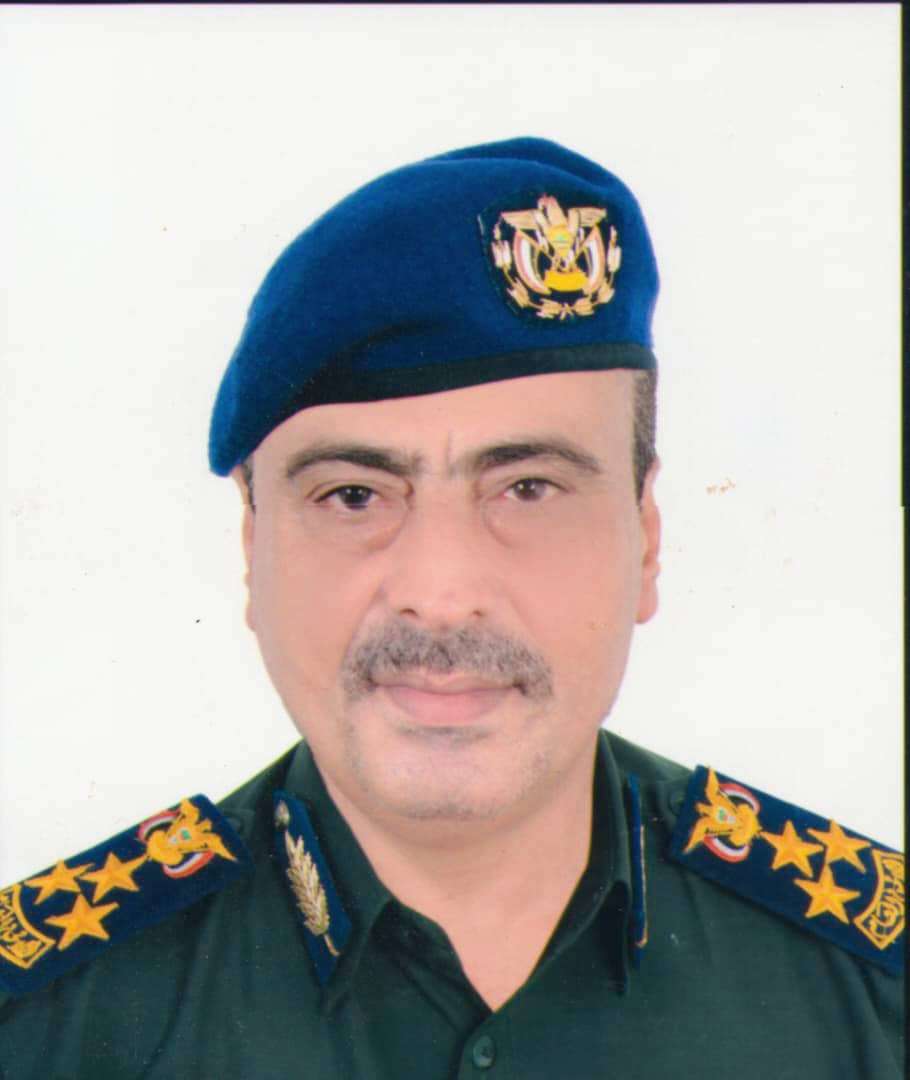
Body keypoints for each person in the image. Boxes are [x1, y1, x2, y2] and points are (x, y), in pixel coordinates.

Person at [0, 138, 902, 1078]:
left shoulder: (877, 996)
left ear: (645, 537)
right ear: (251, 544)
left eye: (529, 489)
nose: (439, 597)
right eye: (354, 496)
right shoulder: (40, 1028)